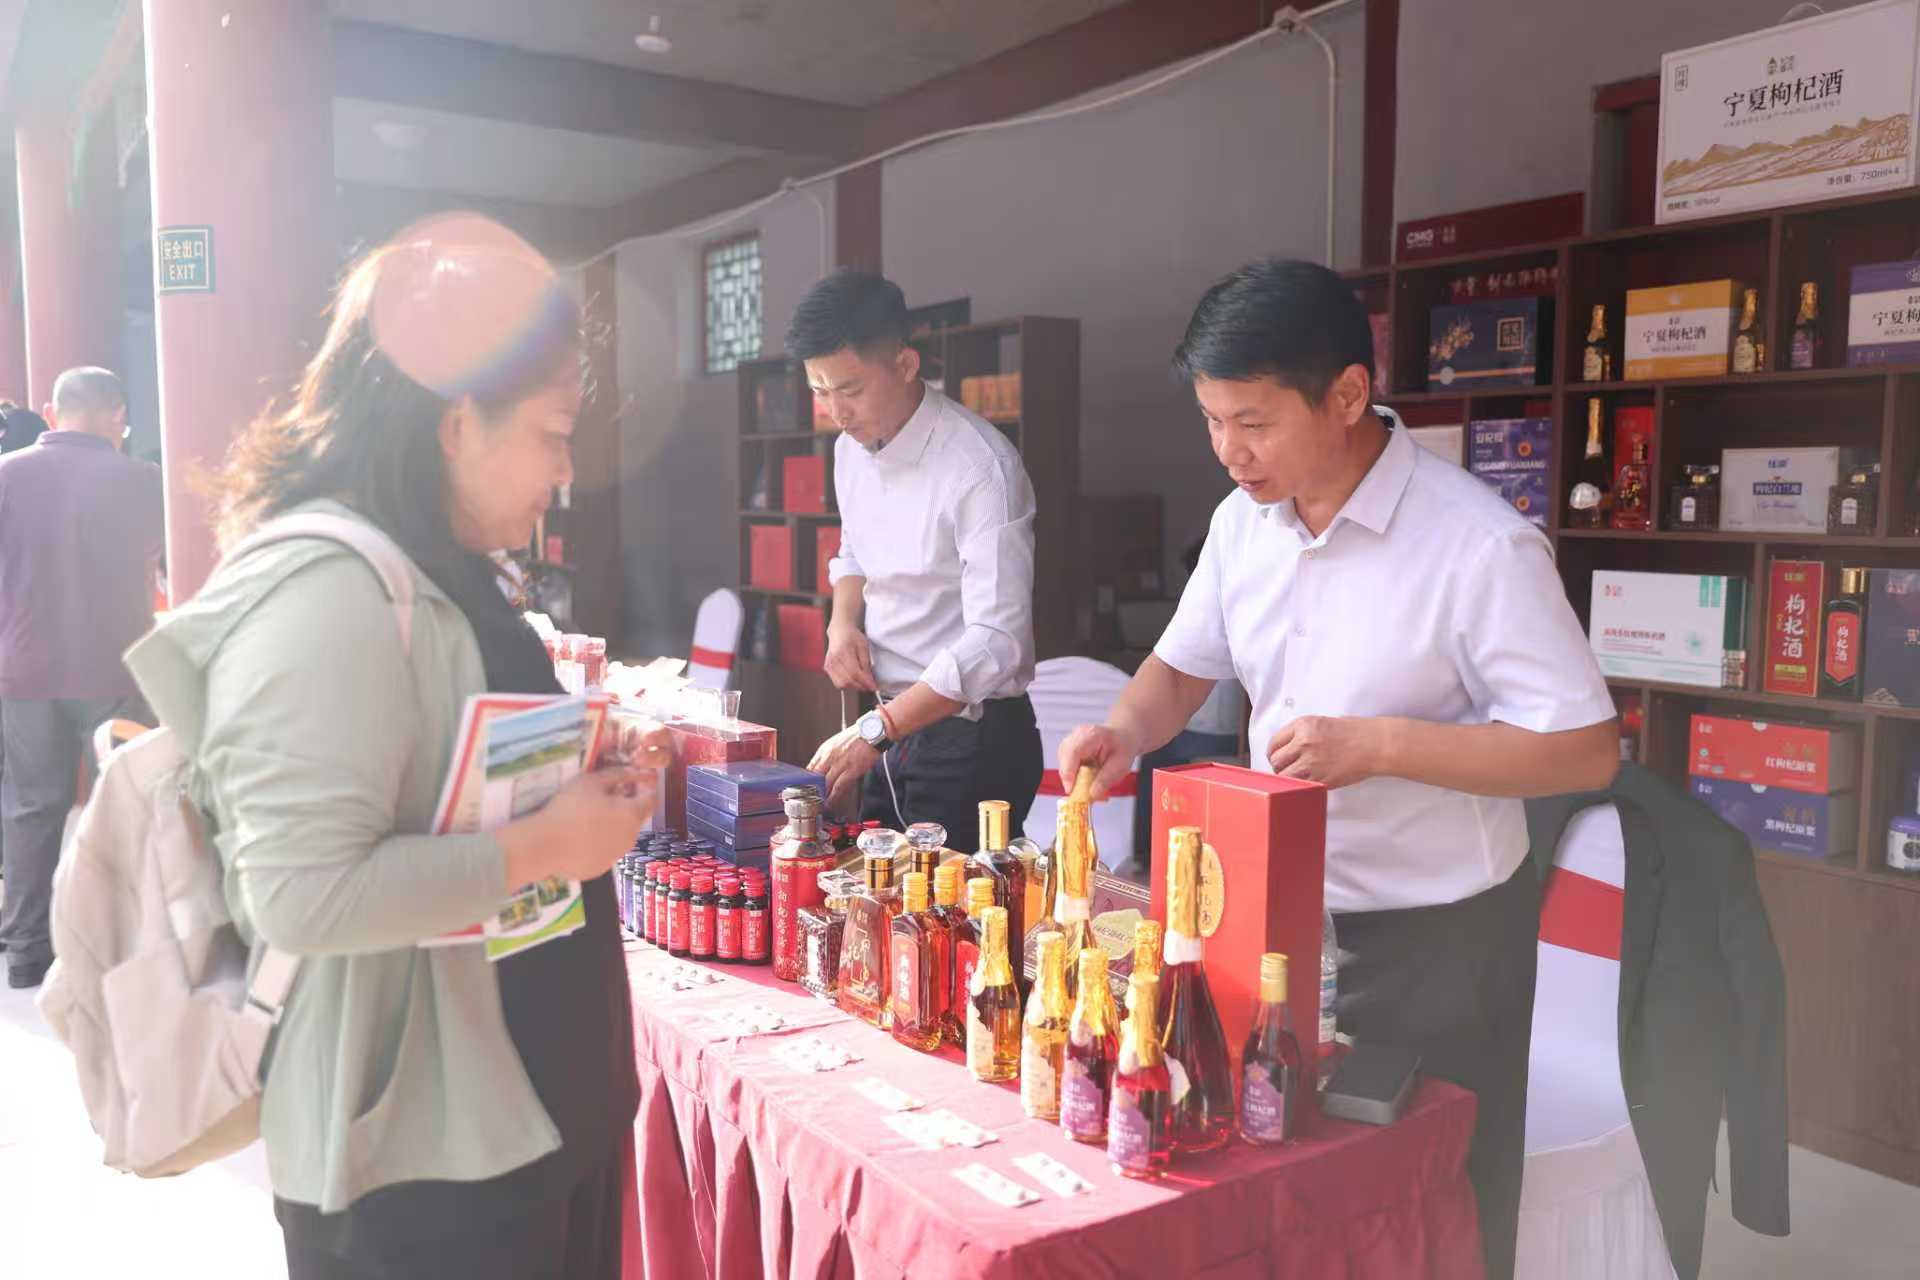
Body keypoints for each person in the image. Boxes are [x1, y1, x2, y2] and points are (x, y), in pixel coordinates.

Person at [123, 218, 668, 1279]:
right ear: (456, 423)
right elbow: (301, 894)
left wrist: (570, 764)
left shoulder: (439, 561)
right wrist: (548, 846)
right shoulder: (327, 593)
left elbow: (435, 766)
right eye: (553, 433)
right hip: (425, 1175)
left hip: (531, 1119)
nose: (566, 471)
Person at [1057, 259, 1619, 1280]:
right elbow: (1182, 667)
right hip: (1269, 917)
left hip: (1436, 938)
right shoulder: (1242, 522)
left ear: (1349, 394)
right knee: (1288, 1188)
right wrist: (1124, 731)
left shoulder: (1478, 546)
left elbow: (1584, 748)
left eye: (1254, 422)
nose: (1230, 450)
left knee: (1435, 1203)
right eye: (1212, 420)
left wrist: (1383, 744)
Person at [792, 269, 1043, 851]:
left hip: (971, 735)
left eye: (850, 389)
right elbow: (854, 549)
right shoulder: (850, 450)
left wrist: (876, 730)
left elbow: (997, 641)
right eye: (819, 390)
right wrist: (842, 624)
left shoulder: (980, 468)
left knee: (952, 901)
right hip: (890, 721)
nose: (835, 411)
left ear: (905, 365)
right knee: (880, 890)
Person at [0, 368, 161, 989]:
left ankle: (27, 951)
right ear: (118, 414)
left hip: (25, 669)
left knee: (30, 806)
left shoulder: (6, 475)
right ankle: (123, 948)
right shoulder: (140, 480)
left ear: (50, 410)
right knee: (127, 803)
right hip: (113, 666)